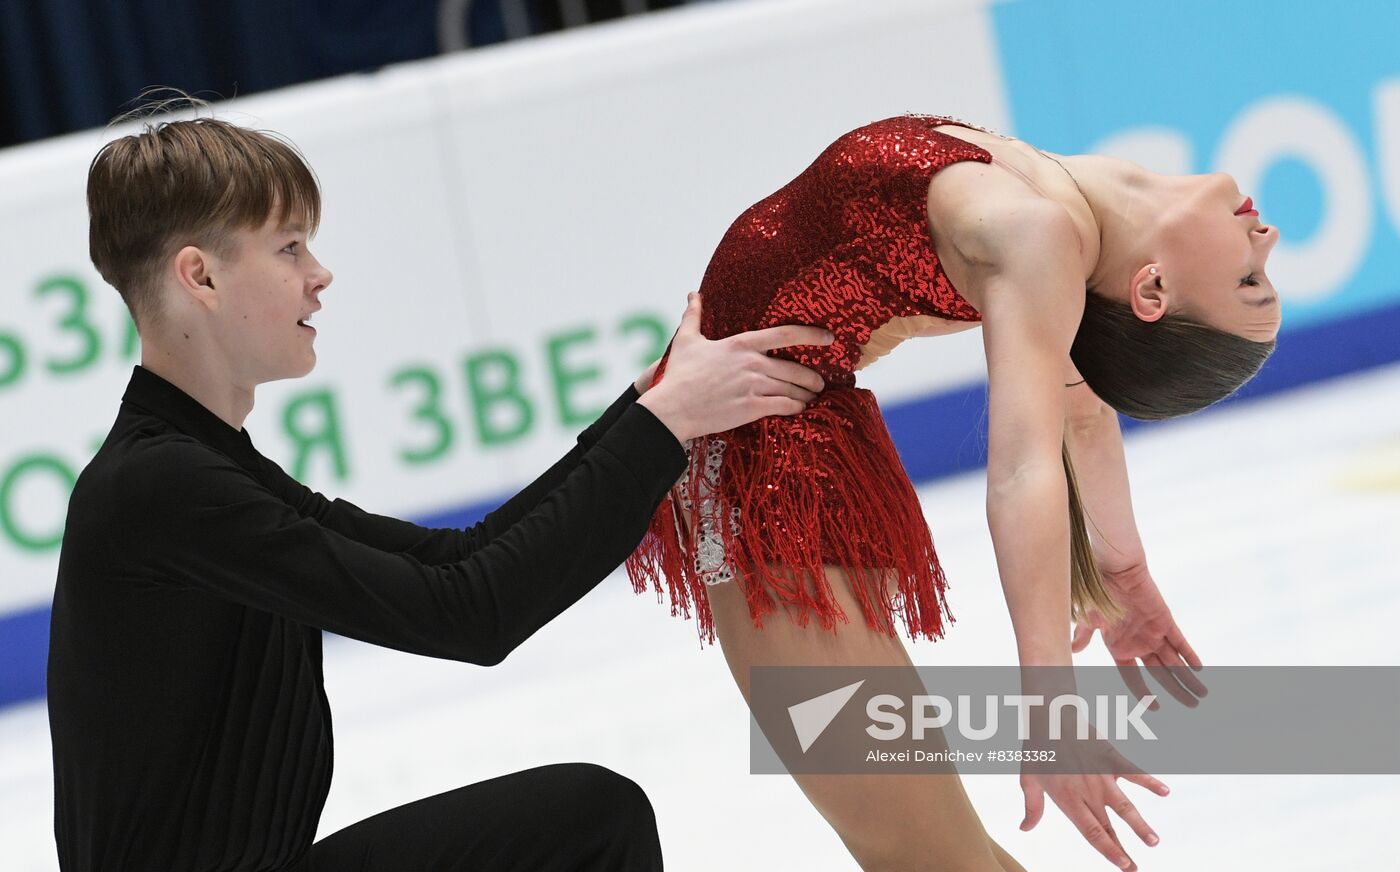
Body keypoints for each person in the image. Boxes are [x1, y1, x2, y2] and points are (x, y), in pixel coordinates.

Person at [46, 105, 834, 872]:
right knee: (588, 823)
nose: (320, 276)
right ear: (202, 277)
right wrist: (663, 423)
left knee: (584, 819)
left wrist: (649, 402)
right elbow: (474, 613)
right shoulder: (162, 487)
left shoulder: (197, 465)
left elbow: (458, 560)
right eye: (289, 249)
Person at [626, 113, 1281, 871]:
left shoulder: (1040, 230)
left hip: (776, 474)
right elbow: (1083, 410)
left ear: (1154, 289)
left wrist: (1051, 705)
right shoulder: (1060, 215)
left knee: (932, 862)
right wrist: (1122, 573)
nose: (1265, 244)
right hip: (770, 449)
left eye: (1248, 281)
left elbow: (1027, 469)